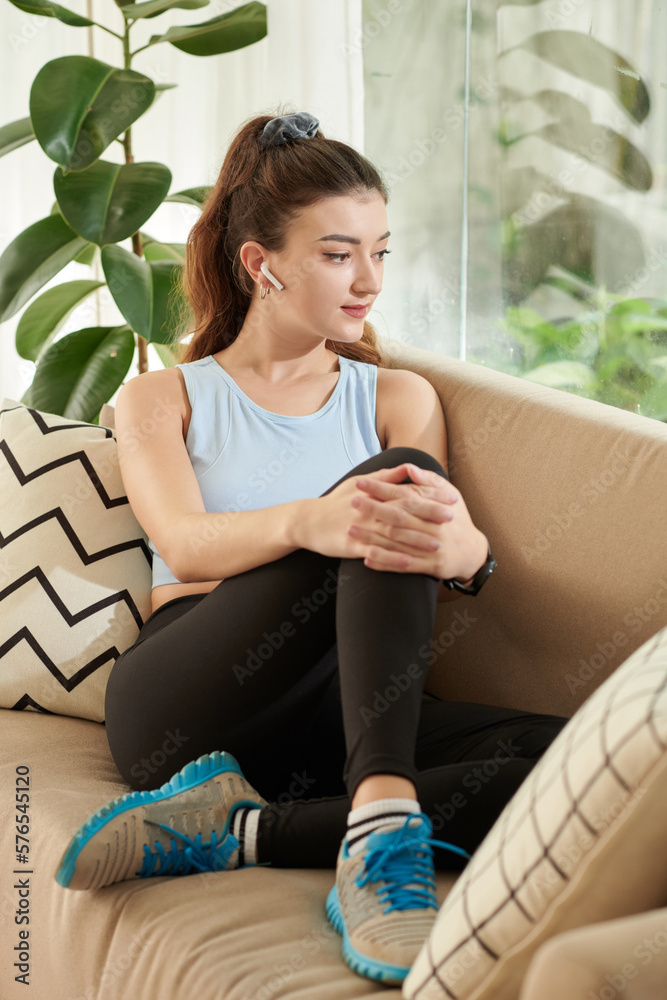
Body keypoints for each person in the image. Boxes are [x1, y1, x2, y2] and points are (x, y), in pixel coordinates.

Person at [54, 110, 569, 986]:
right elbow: (185, 541)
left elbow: (420, 569)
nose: (367, 280)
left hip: (342, 717)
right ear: (261, 264)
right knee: (392, 482)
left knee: (595, 763)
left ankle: (251, 832)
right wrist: (309, 521)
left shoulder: (394, 397)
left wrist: (468, 554)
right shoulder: (163, 398)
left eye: (381, 251)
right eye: (337, 254)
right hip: (189, 701)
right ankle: (376, 840)